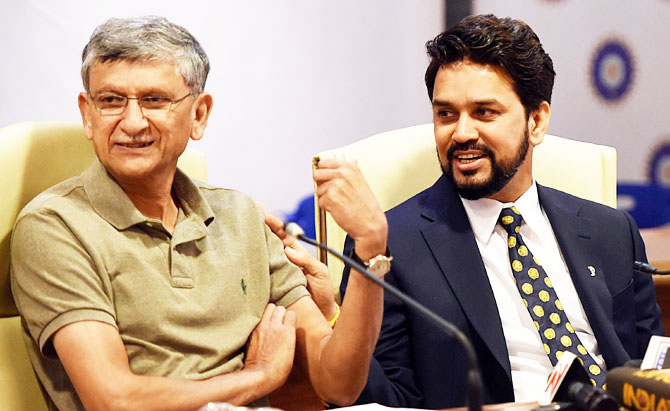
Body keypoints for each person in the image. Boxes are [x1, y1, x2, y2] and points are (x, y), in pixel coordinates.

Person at [10, 16, 389, 411]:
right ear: (87, 114)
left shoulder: (239, 214)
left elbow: (339, 385)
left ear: (199, 115)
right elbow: (115, 401)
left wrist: (371, 247)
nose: (132, 121)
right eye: (111, 101)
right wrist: (258, 377)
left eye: (154, 100)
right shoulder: (55, 226)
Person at [332, 14, 663, 408]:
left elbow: (650, 373)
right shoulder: (390, 246)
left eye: (484, 112)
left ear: (536, 121)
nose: (461, 133)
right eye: (446, 114)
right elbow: (382, 403)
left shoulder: (612, 231)